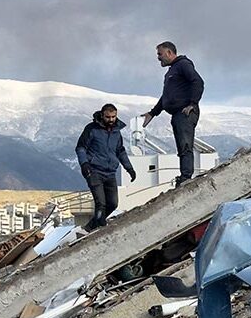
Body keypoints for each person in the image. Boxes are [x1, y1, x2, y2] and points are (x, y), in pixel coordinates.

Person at [142, 42, 204, 186]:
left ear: (169, 53)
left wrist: (192, 104)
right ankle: (184, 176)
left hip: (184, 113)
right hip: (177, 114)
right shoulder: (172, 71)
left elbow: (198, 82)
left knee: (185, 145)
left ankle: (186, 177)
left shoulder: (183, 65)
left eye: (160, 54)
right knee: (182, 146)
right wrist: (152, 113)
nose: (158, 57)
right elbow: (167, 96)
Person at [76, 103, 136, 231]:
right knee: (101, 204)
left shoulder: (116, 132)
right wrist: (84, 164)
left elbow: (120, 151)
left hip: (110, 173)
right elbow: (80, 147)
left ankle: (90, 227)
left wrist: (129, 168)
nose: (111, 120)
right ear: (102, 116)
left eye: (113, 117)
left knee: (113, 204)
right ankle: (100, 227)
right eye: (108, 117)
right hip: (94, 171)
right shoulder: (92, 129)